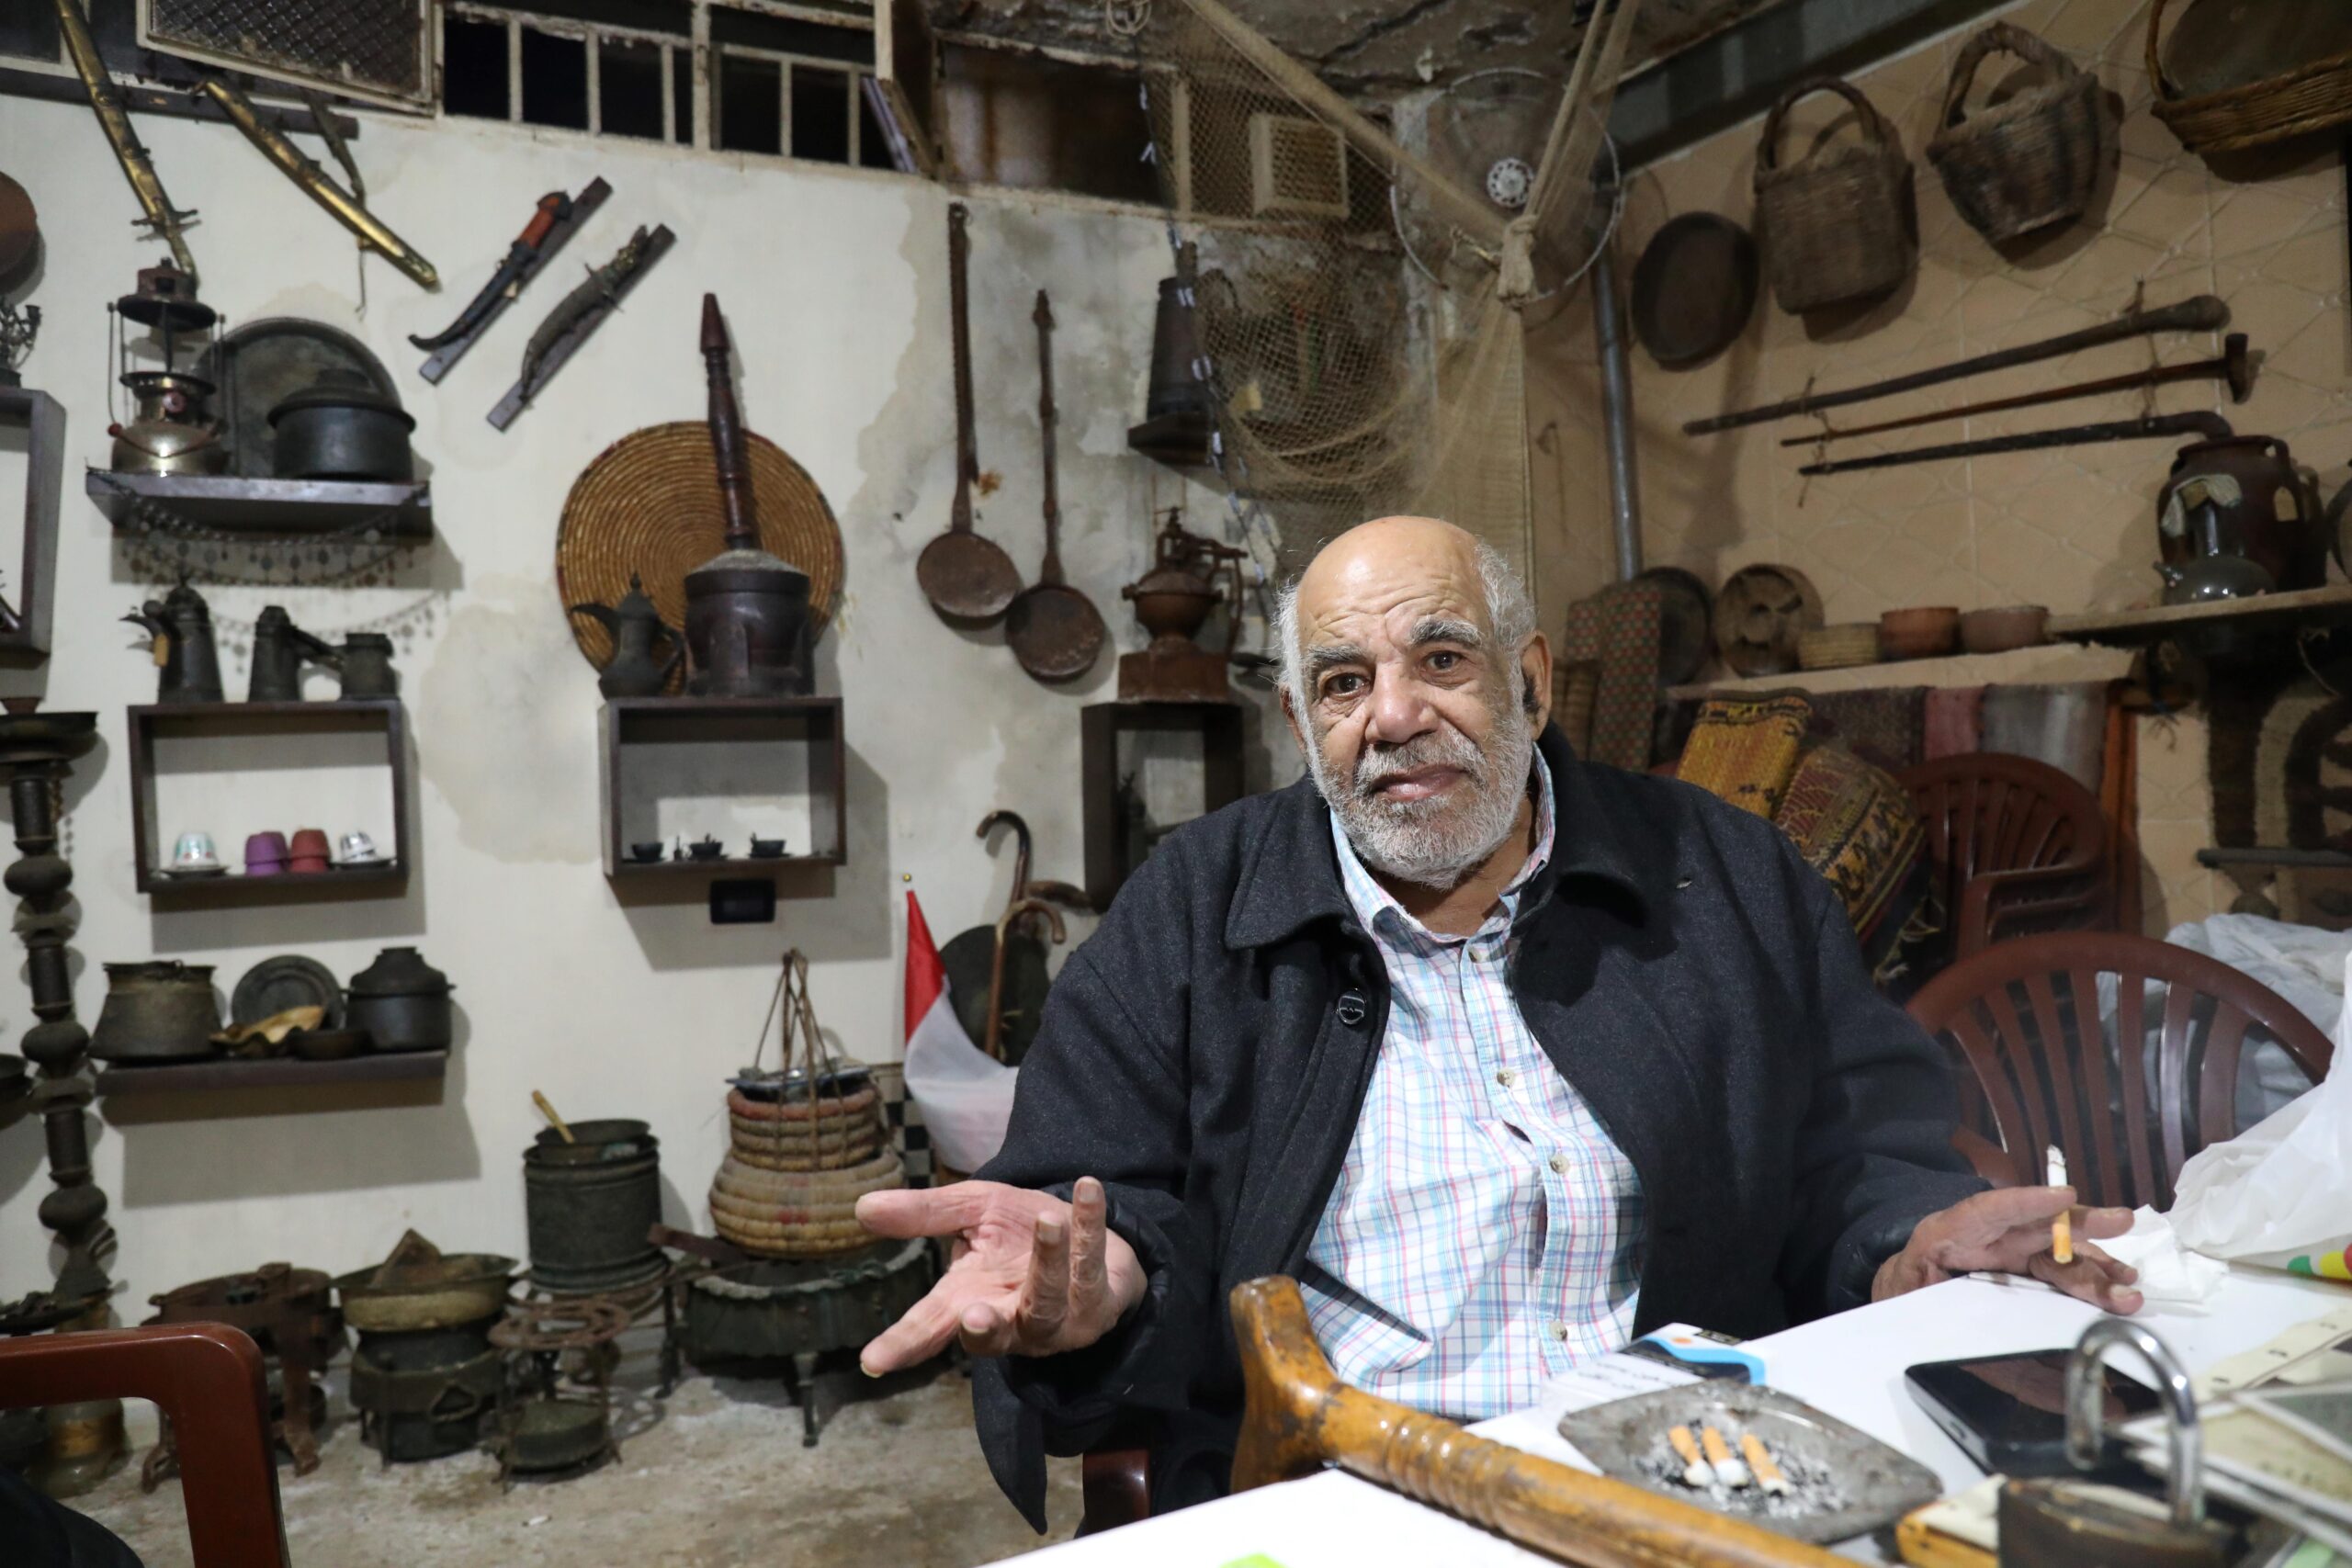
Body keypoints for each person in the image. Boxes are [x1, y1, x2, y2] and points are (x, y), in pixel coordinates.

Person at [857, 516, 2142, 1527]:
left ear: (1529, 681)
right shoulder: (1190, 914)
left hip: (1702, 1470)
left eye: (1443, 659)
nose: (1395, 715)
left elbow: (1852, 1154)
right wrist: (1103, 1281)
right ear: (1304, 726)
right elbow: (1104, 1207)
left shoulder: (1725, 874)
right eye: (1345, 682)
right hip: (1357, 1494)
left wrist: (1906, 1237)